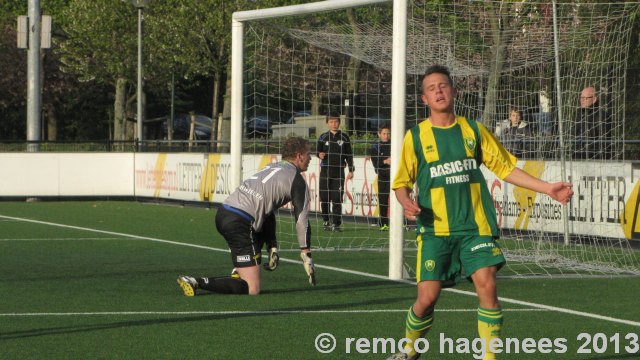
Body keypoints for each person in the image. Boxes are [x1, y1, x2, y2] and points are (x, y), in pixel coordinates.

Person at [388, 65, 574, 360]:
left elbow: (505, 167)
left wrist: (547, 188)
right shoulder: (416, 137)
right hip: (435, 230)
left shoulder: (474, 130)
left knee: (487, 284)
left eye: (443, 86)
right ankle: (409, 350)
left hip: (476, 227)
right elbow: (400, 183)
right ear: (424, 99)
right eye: (432, 88)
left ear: (454, 91)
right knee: (427, 298)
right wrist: (405, 201)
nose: (438, 91)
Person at [177, 136, 315, 296]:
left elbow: (266, 211)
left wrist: (272, 245)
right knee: (252, 288)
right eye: (308, 153)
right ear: (299, 156)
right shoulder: (297, 181)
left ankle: (240, 270)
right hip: (241, 222)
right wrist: (306, 254)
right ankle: (196, 282)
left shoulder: (272, 166)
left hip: (224, 212)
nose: (311, 157)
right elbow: (301, 221)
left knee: (256, 225)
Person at [317, 112, 354, 232]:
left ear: (339, 122)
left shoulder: (344, 137)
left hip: (338, 172)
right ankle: (326, 221)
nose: (334, 124)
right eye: (331, 122)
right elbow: (317, 152)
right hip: (325, 171)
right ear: (327, 123)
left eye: (336, 121)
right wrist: (320, 154)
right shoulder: (323, 137)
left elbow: (349, 154)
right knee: (325, 197)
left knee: (337, 197)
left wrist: (351, 169)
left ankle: (336, 224)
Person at [573, 86, 612, 160]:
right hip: (578, 156)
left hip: (594, 157)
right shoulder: (579, 114)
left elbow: (604, 140)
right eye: (581, 97)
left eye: (586, 98)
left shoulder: (602, 115)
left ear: (594, 99)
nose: (582, 100)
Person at [369, 123, 391, 231]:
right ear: (379, 134)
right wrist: (386, 161)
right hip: (383, 176)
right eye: (384, 133)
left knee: (398, 199)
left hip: (395, 176)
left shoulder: (395, 144)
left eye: (388, 133)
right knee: (383, 200)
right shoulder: (375, 147)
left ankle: (402, 222)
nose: (386, 136)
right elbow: (375, 162)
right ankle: (383, 224)